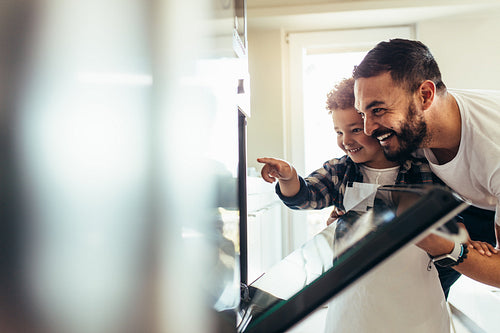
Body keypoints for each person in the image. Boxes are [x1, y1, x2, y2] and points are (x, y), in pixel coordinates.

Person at [258, 78, 454, 332]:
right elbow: (307, 195)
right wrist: (289, 178)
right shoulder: (340, 170)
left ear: (378, 126)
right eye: (339, 132)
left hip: (415, 299)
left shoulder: (421, 167)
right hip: (355, 303)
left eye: (354, 129)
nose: (345, 140)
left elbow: (449, 219)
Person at [353, 38, 500, 288]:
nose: (368, 128)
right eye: (362, 113)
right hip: (468, 200)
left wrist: (447, 247)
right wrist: (351, 211)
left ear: (425, 95)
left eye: (377, 110)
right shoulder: (413, 129)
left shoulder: (492, 152)